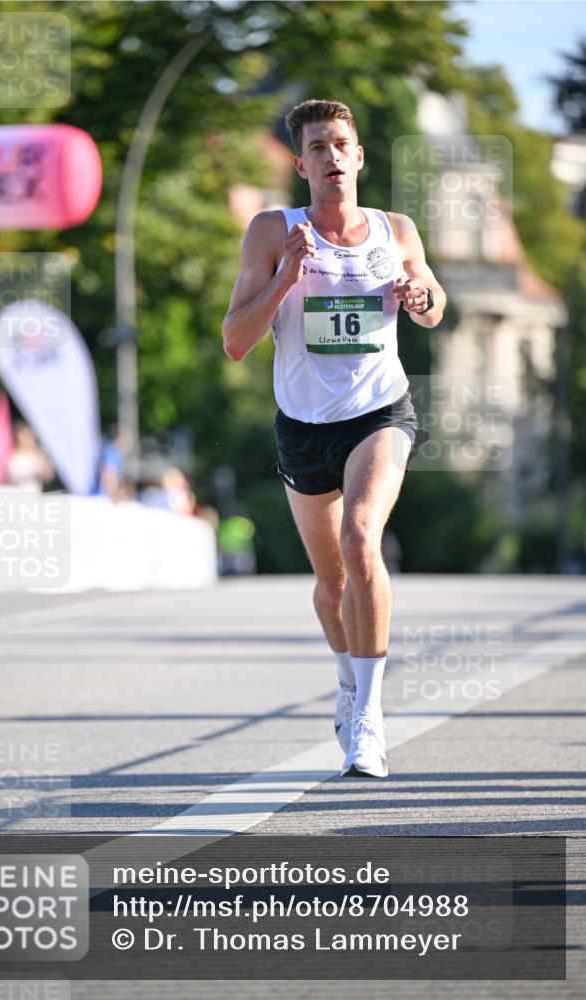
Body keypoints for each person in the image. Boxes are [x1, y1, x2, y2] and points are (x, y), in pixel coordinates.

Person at [222, 99, 445, 778]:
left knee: (359, 539)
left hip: (379, 414)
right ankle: (348, 681)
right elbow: (234, 342)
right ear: (300, 165)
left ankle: (370, 722)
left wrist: (418, 296)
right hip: (302, 428)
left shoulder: (395, 229)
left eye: (339, 144)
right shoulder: (271, 230)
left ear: (357, 158)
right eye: (315, 147)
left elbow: (433, 307)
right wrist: (287, 275)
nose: (329, 157)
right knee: (330, 583)